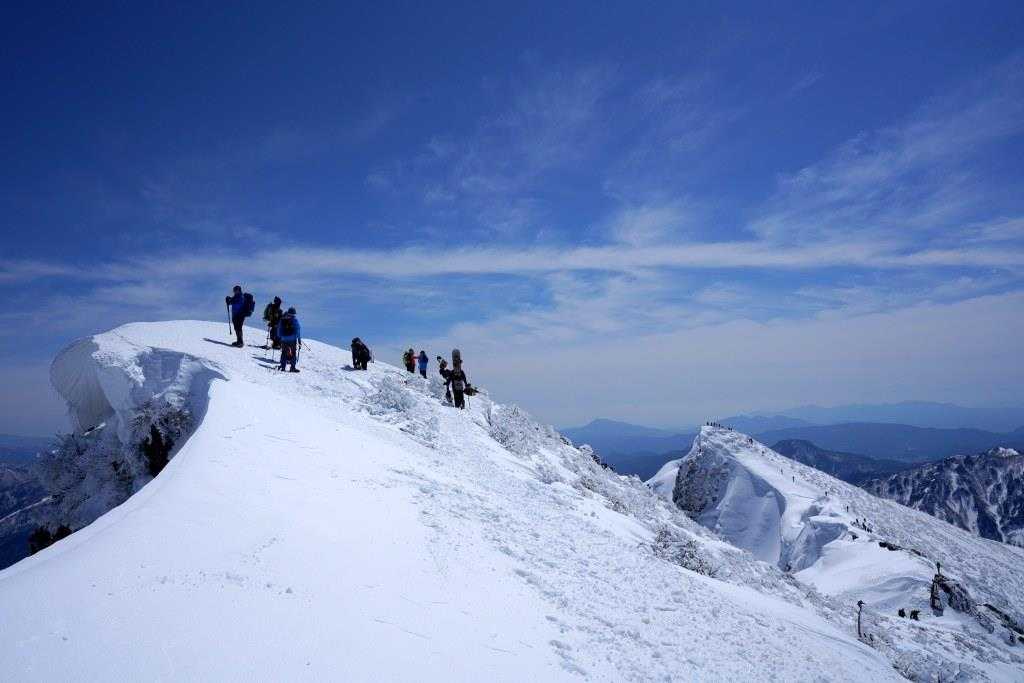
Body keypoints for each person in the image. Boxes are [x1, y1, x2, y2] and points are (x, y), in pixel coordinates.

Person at [277, 307, 301, 373]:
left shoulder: (282, 319)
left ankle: (282, 367)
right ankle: (292, 368)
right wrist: (299, 340)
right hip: (292, 339)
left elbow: (279, 328)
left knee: (284, 352)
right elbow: (298, 330)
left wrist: (280, 337)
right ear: (294, 313)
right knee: (293, 353)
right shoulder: (295, 320)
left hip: (284, 339)